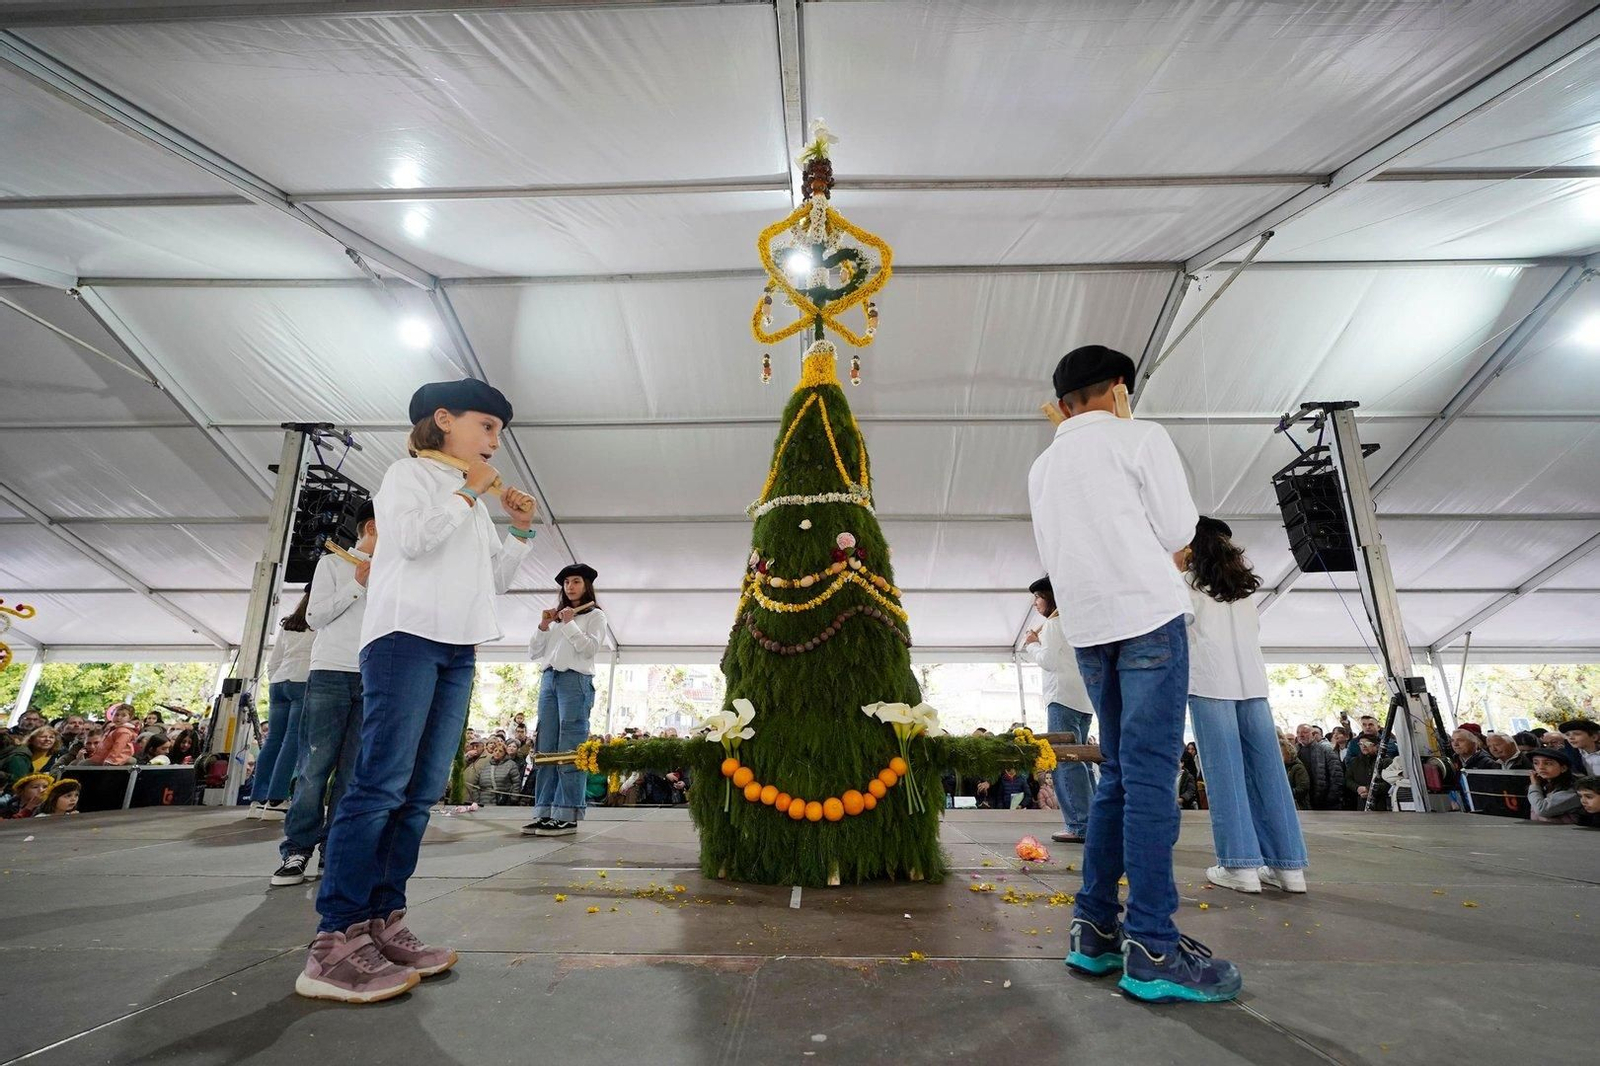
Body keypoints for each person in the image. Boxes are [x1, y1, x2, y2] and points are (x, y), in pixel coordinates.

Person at [300, 379, 537, 1004]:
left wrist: (519, 531)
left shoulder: (473, 499)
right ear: (443, 420)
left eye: (498, 431)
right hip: (405, 637)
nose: (495, 441)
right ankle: (335, 943)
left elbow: (495, 581)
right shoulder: (407, 477)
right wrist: (469, 493)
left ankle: (384, 922)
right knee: (379, 785)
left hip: (458, 646)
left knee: (421, 790)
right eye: (486, 426)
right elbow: (410, 541)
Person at [1028, 344, 1239, 1004]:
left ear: (1063, 403)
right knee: (1148, 775)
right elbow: (1180, 529)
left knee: (1118, 770)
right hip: (1146, 617)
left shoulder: (1043, 465)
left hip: (1089, 629)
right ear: (1121, 389)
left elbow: (1052, 551)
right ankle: (1151, 945)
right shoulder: (1141, 436)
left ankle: (1093, 931)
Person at [1180, 516, 1309, 895]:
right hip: (1253, 687)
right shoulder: (1243, 590)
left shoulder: (1186, 585)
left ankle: (1241, 867)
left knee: (1226, 778)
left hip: (1210, 684)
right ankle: (1290, 869)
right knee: (1269, 775)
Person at [273, 501, 377, 889]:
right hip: (330, 673)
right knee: (313, 769)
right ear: (371, 527)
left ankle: (336, 850)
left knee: (353, 775)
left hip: (374, 677)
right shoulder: (332, 565)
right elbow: (314, 617)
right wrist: (357, 585)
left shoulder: (398, 572)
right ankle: (296, 849)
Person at [524, 563, 608, 838]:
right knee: (546, 747)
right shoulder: (557, 618)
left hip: (575, 681)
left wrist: (571, 623)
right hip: (549, 680)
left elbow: (589, 649)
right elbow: (534, 652)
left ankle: (567, 813)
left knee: (570, 749)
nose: (570, 587)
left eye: (576, 582)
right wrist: (544, 625)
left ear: (586, 585)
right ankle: (544, 811)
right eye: (567, 582)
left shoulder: (595, 616)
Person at [1020, 576, 1094, 843]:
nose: (1035, 603)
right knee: (1083, 761)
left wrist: (1031, 644)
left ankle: (1079, 824)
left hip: (1061, 698)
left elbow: (1049, 661)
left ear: (1049, 598)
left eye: (1038, 598)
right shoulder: (1077, 624)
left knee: (1064, 763)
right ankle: (1092, 822)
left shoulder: (1053, 625)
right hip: (1083, 700)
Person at [252, 591, 315, 819]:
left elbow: (274, 659)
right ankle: (277, 799)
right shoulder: (320, 622)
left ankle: (258, 799)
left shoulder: (290, 624)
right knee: (292, 741)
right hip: (303, 682)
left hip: (279, 682)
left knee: (273, 741)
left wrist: (276, 678)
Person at [1294, 723, 1345, 811]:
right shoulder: (1295, 752)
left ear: (1313, 735)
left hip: (1324, 801)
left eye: (1304, 732)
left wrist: (1331, 798)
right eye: (1298, 732)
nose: (1300, 735)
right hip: (1304, 802)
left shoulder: (1325, 749)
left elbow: (1337, 775)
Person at [1526, 748, 1580, 824]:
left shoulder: (1572, 790)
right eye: (1536, 763)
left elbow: (1542, 810)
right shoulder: (1544, 785)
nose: (1540, 767)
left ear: (1563, 768)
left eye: (1548, 763)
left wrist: (1534, 785)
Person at [466, 738, 524, 806]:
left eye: (500, 751)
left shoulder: (511, 765)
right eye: (495, 750)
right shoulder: (486, 765)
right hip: (484, 801)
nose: (497, 752)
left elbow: (516, 783)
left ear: (505, 753)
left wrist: (513, 799)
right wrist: (477, 800)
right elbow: (475, 784)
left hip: (503, 802)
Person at [1343, 734, 1390, 810]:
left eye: (1367, 743)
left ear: (1376, 746)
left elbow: (1389, 783)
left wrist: (1369, 789)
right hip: (1361, 803)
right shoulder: (1355, 762)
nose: (1363, 746)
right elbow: (1348, 780)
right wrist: (1357, 788)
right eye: (1361, 744)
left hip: (1382, 804)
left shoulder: (1386, 762)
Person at [1281, 737, 1310, 810]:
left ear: (1288, 753)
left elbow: (1303, 788)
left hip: (1298, 806)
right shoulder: (1281, 767)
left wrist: (1285, 793)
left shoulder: (1297, 768)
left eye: (1282, 753)